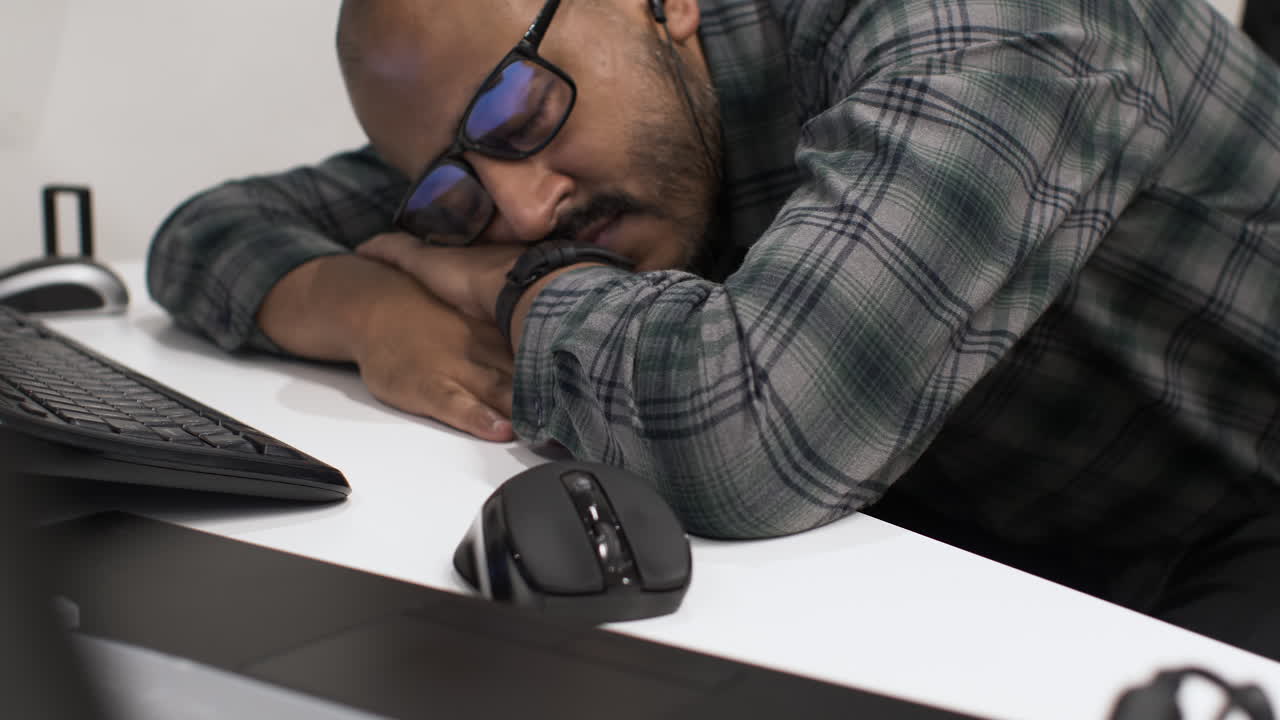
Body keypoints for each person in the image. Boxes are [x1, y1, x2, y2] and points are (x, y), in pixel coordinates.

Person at [148, 0, 1280, 659]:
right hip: (994, 534)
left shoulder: (989, 27)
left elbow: (744, 435)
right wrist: (366, 308)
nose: (524, 207)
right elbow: (209, 230)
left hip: (1233, 514)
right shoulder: (556, 137)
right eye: (453, 188)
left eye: (517, 107)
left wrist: (513, 291)